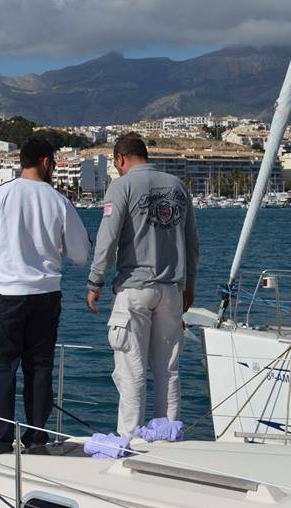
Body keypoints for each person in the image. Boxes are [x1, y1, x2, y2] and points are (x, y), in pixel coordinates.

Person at [0, 136, 91, 455]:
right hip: (47, 296)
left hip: (7, 296)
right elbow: (80, 254)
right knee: (40, 368)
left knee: (1, 368)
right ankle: (36, 441)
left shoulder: (2, 194)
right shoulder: (59, 201)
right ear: (46, 162)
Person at [86, 133, 199, 438]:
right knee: (168, 371)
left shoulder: (121, 186)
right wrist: (189, 284)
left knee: (131, 372)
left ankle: (129, 441)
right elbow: (191, 243)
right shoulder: (177, 187)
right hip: (172, 290)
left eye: (116, 164)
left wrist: (95, 280)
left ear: (120, 158)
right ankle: (169, 437)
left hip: (134, 289)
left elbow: (107, 240)